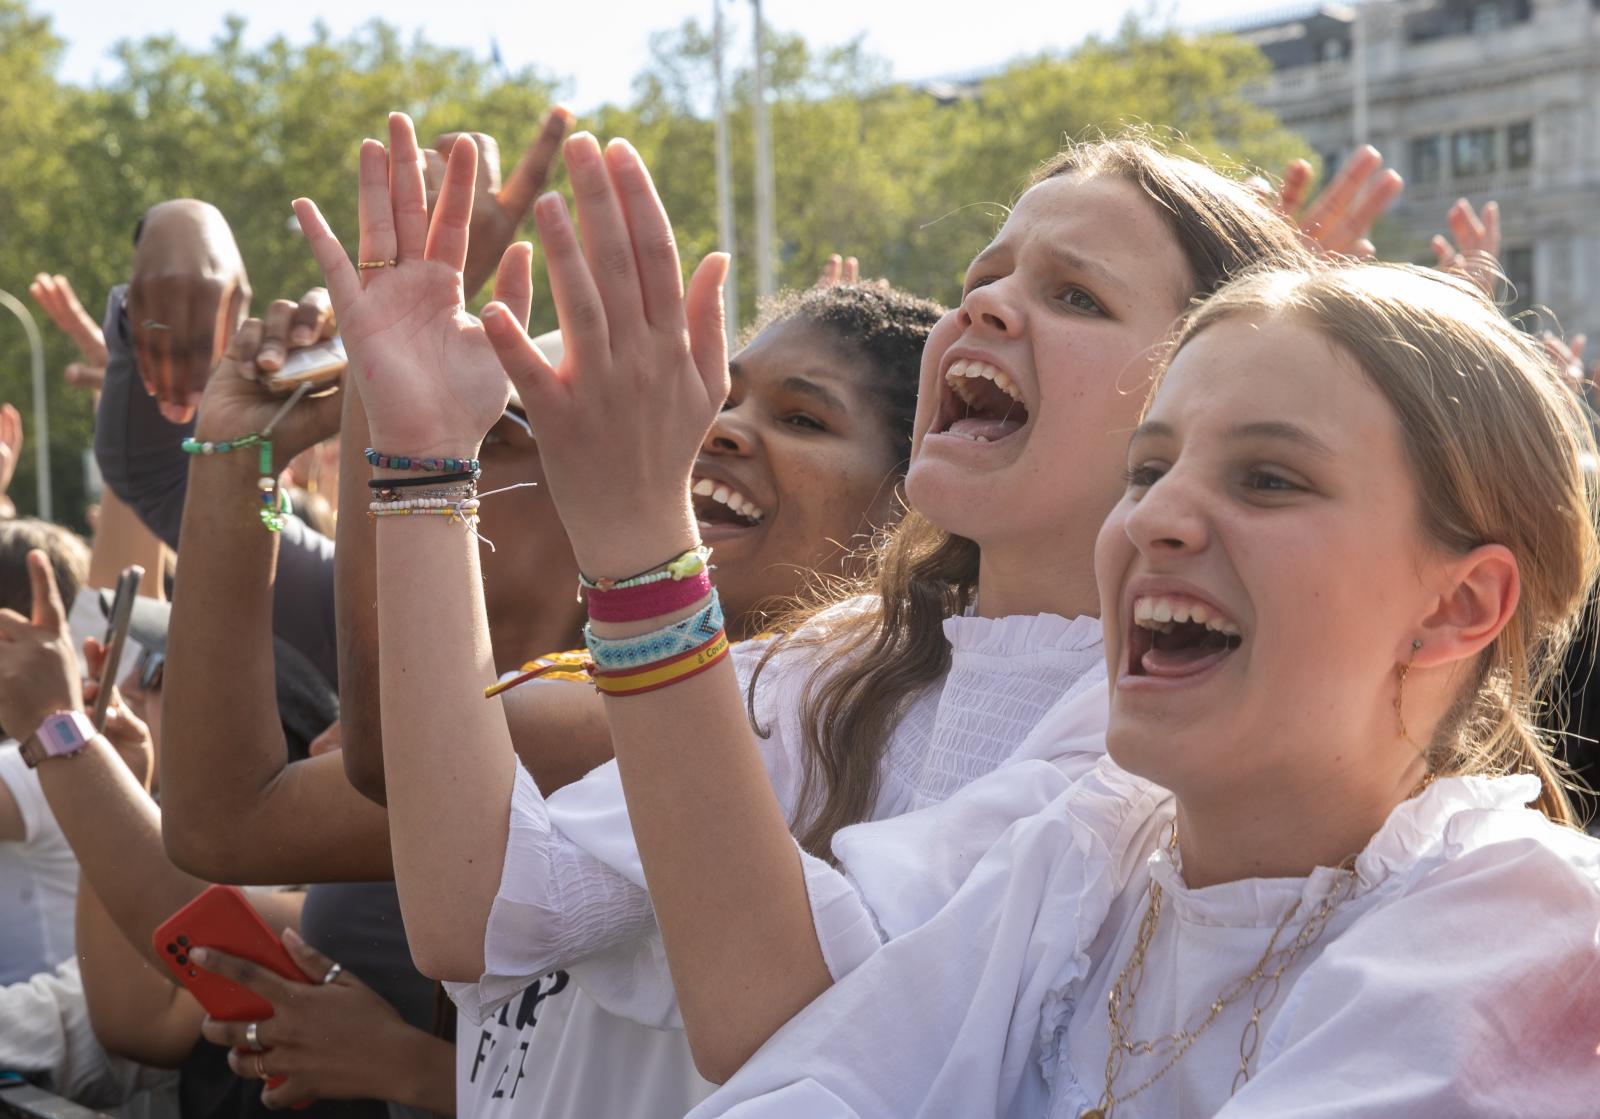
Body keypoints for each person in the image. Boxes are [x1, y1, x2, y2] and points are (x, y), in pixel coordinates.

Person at [289, 111, 1338, 1103]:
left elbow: (801, 1037)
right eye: (983, 277)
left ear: (1203, 400)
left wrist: (638, 542)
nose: (982, 307)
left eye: (1075, 297)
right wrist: (422, 459)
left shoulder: (1160, 730)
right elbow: (475, 907)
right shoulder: (831, 665)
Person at [690, 261, 1600, 1117]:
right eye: (1148, 470)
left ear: (1459, 604)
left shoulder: (1523, 923)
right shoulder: (1086, 852)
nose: (1155, 518)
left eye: (1269, 480)